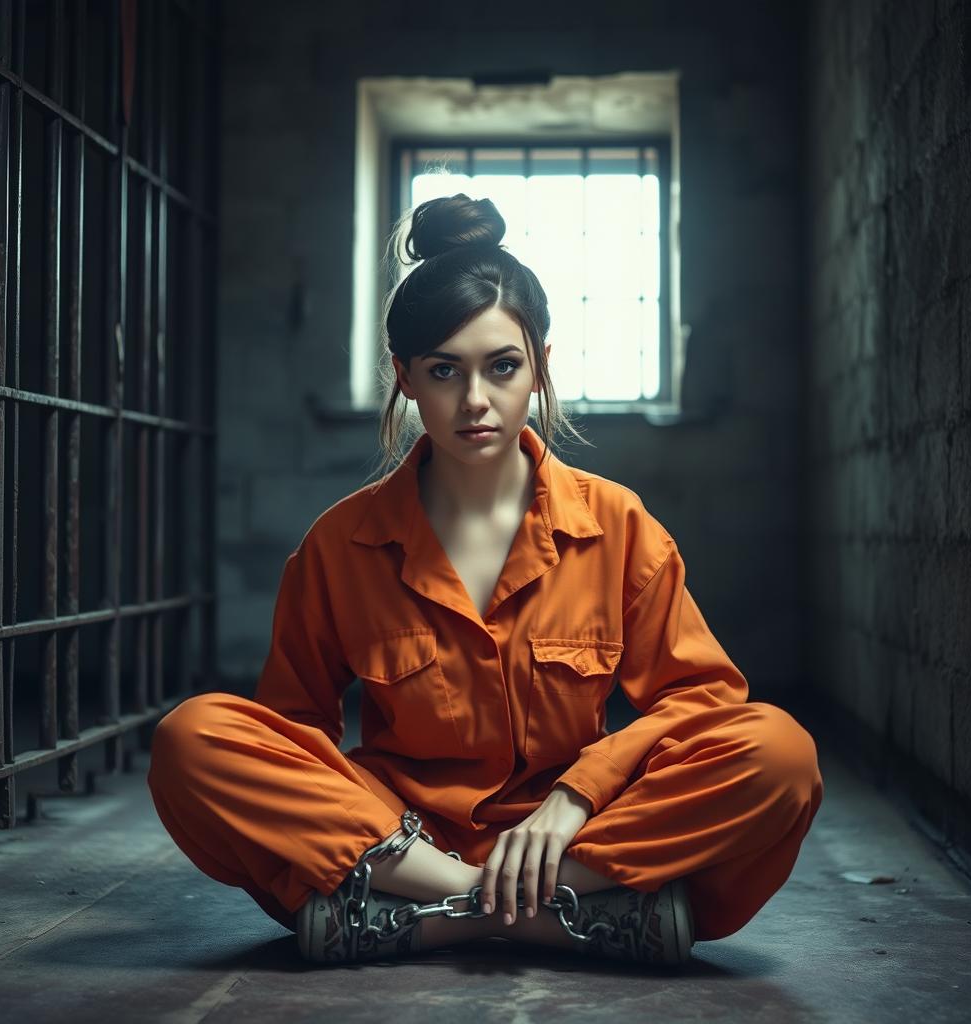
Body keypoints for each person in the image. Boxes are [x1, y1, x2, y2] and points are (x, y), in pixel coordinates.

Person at [147, 193, 824, 968]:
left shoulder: (618, 524)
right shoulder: (341, 545)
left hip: (574, 838)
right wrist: (376, 837)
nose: (476, 401)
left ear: (538, 365)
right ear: (404, 378)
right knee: (192, 739)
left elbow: (701, 701)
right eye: (444, 371)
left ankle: (424, 921)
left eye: (502, 366)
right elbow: (294, 734)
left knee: (778, 754)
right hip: (399, 843)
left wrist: (573, 801)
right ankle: (555, 917)